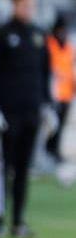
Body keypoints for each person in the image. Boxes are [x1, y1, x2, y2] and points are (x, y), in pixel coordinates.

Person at [0, 0, 51, 238]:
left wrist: (48, 105)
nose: (29, 9)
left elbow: (46, 74)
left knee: (24, 168)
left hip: (31, 111)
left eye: (33, 5)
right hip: (8, 112)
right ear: (15, 4)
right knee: (4, 167)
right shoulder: (1, 35)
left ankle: (18, 221)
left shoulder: (39, 35)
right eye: (25, 4)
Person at [44, 14, 72, 165]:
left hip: (66, 94)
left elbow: (70, 68)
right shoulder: (49, 44)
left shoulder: (68, 47)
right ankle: (46, 152)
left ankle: (55, 152)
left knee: (60, 126)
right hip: (53, 94)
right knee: (50, 127)